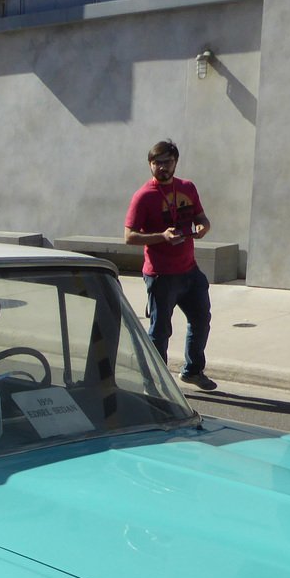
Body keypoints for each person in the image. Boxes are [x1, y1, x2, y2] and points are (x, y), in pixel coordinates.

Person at [124, 139, 215, 391]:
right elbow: (129, 236)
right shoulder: (144, 196)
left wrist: (203, 227)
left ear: (176, 162)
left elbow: (201, 217)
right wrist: (162, 236)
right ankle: (156, 381)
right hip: (161, 275)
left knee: (201, 320)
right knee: (160, 330)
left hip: (190, 271)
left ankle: (193, 371)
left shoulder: (187, 188)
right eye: (157, 163)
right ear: (150, 164)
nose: (163, 167)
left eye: (168, 162)